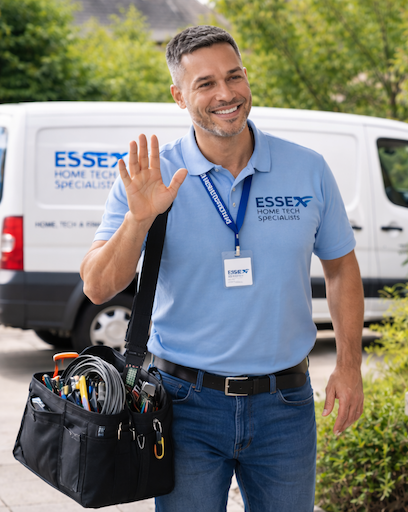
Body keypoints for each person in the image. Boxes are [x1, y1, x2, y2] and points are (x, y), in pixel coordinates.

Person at [79, 25, 365, 512]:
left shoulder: (308, 169)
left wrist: (349, 365)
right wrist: (139, 219)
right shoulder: (153, 174)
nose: (226, 94)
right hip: (185, 404)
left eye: (234, 77)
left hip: (286, 403)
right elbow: (99, 286)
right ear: (178, 96)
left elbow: (341, 268)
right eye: (205, 83)